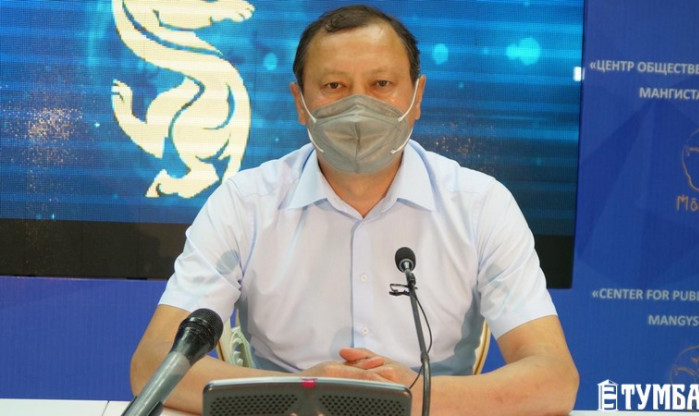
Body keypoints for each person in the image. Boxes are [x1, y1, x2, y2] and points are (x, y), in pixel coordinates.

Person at [130, 4, 579, 415]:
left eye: (381, 84)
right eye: (334, 86)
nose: (359, 105)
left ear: (417, 97)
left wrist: (410, 396)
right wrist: (302, 391)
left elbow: (554, 379)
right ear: (300, 103)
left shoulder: (480, 205)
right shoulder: (244, 204)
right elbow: (153, 365)